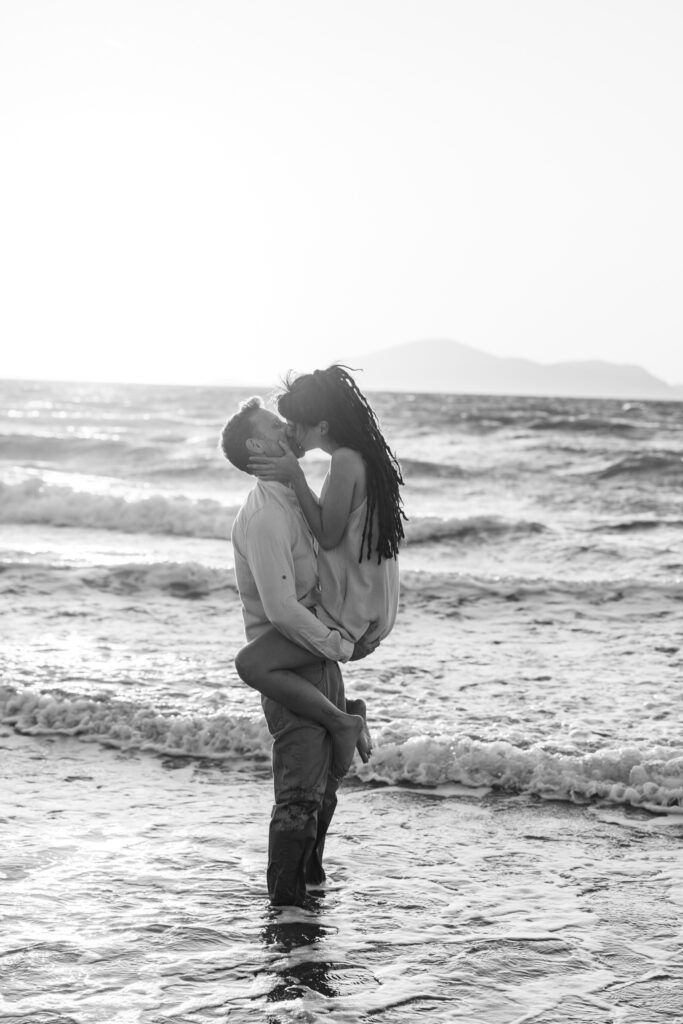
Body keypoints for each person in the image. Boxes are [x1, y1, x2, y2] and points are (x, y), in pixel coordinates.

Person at [221, 395, 384, 907]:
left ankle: (310, 888)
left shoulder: (292, 494)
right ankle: (286, 914)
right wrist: (336, 643)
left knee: (327, 786)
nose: (288, 425)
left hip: (315, 650)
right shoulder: (264, 517)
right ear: (256, 444)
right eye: (275, 423)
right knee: (297, 795)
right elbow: (282, 612)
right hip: (288, 660)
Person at [236, 365, 406, 779]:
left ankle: (342, 720)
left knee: (252, 666)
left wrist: (294, 476)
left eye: (296, 424)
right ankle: (348, 710)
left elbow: (328, 536)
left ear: (322, 425)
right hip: (372, 603)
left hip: (353, 609)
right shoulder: (360, 456)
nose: (292, 432)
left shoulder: (346, 461)